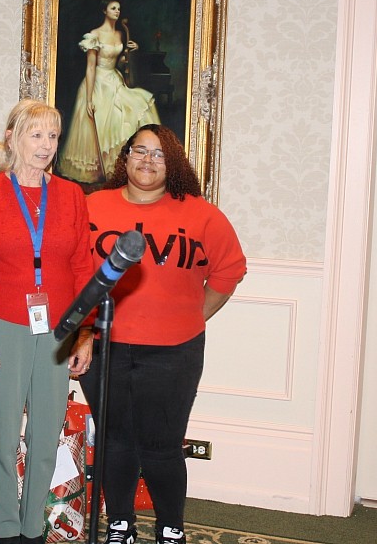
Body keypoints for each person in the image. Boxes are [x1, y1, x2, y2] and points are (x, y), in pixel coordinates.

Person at [79, 124, 246, 544]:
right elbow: (73, 270)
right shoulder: (92, 206)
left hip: (174, 352)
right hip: (103, 346)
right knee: (114, 441)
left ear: (172, 164)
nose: (147, 160)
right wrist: (81, 333)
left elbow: (229, 271)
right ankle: (120, 523)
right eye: (140, 150)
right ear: (125, 158)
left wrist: (191, 316)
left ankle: (171, 527)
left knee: (162, 444)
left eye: (158, 154)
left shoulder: (202, 214)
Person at [0, 99, 94, 544]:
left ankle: (33, 526)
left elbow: (83, 267)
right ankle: (5, 528)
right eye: (36, 135)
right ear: (11, 138)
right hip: (1, 324)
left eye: (53, 136)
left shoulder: (72, 195)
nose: (45, 145)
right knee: (3, 433)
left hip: (59, 328)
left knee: (46, 432)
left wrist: (85, 332)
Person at [58, 0, 161, 184]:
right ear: (104, 11)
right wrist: (89, 98)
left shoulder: (121, 34)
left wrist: (130, 52)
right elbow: (90, 67)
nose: (117, 11)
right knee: (101, 124)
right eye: (113, 8)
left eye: (119, 8)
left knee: (130, 113)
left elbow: (119, 62)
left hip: (114, 79)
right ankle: (100, 170)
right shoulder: (94, 34)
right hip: (97, 83)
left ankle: (118, 169)